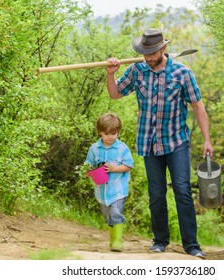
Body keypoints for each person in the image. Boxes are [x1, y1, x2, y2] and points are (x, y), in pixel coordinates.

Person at [105, 28, 214, 258]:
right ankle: (160, 240)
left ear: (163, 49)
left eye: (152, 53)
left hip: (176, 141)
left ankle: (191, 245)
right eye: (145, 53)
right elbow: (115, 94)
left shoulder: (182, 73)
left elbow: (198, 107)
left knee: (183, 191)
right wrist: (111, 73)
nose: (148, 58)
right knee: (156, 193)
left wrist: (207, 139)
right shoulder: (137, 70)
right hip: (149, 142)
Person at [85, 112, 134, 252]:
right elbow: (88, 164)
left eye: (114, 133)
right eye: (107, 134)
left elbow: (129, 165)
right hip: (101, 190)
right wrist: (87, 171)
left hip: (118, 189)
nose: (110, 137)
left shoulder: (122, 148)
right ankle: (112, 240)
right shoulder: (94, 149)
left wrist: (114, 168)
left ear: (118, 132)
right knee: (108, 216)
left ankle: (118, 241)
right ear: (100, 132)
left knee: (116, 212)